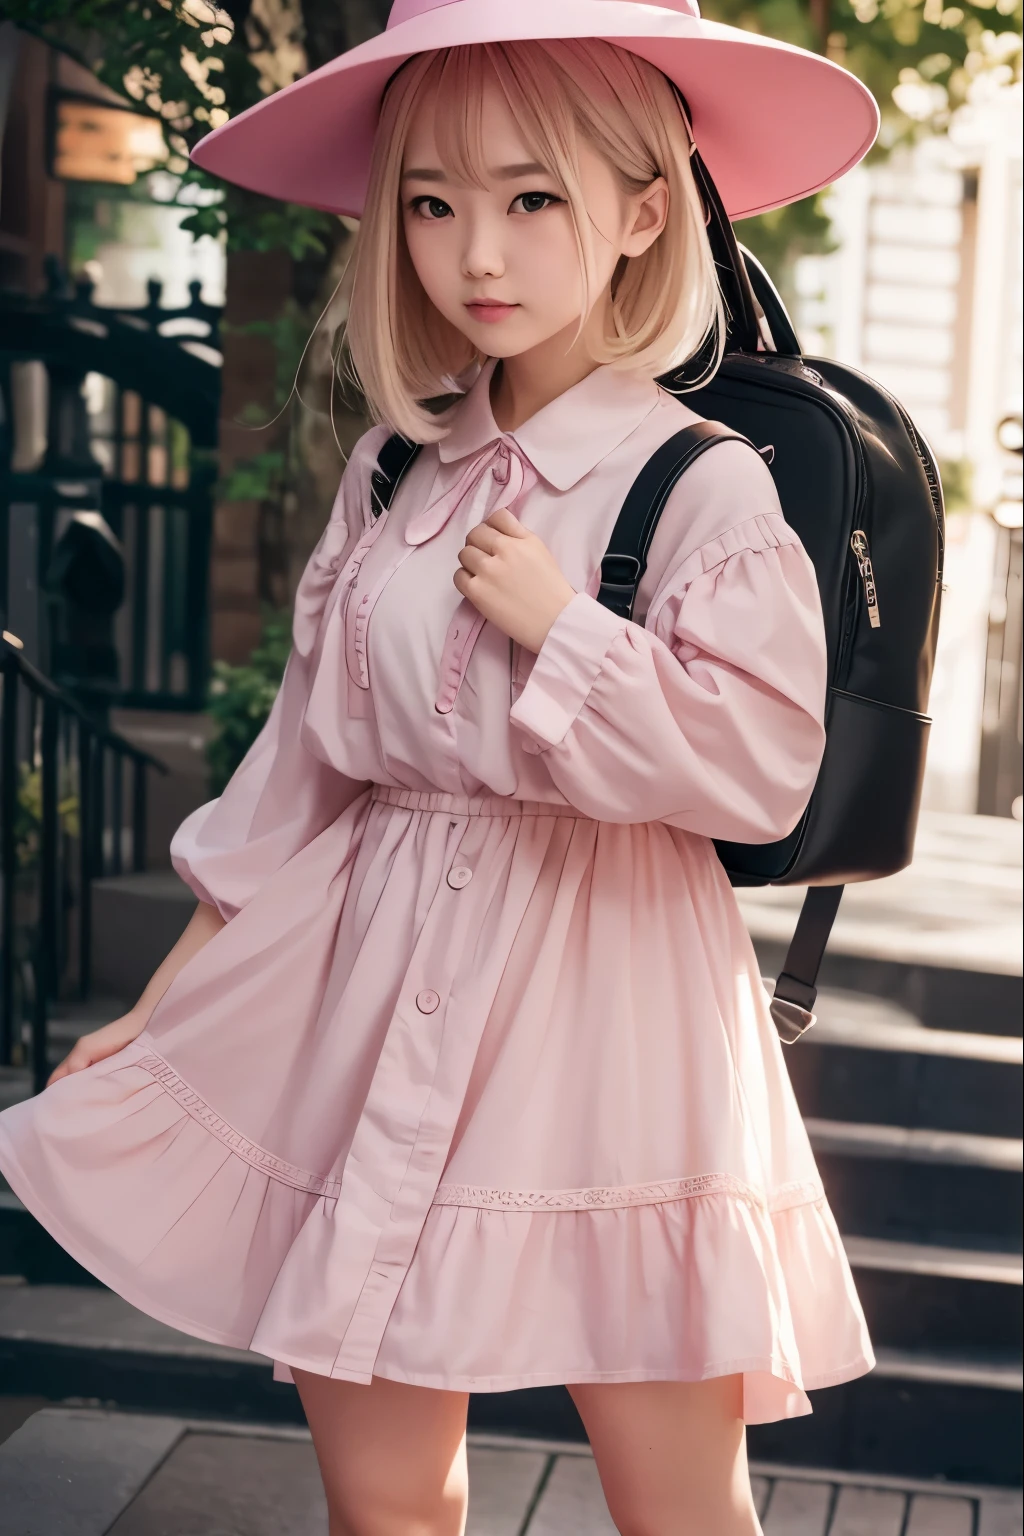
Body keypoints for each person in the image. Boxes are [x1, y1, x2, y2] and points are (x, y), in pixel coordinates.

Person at [0, 5, 880, 1532]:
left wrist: (566, 636)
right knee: (386, 1503)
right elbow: (300, 776)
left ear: (643, 210)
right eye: (431, 202)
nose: (478, 251)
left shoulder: (701, 478)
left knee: (683, 1510)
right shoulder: (395, 467)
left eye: (533, 198)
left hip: (614, 1004)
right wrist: (158, 1008)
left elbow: (760, 776)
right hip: (376, 981)